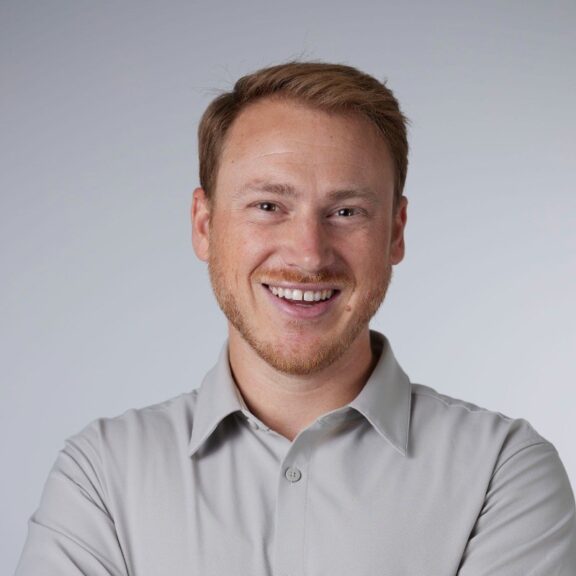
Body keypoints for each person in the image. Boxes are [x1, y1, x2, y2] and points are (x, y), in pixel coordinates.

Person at [15, 61, 576, 575]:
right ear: (204, 226)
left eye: (346, 211)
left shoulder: (503, 473)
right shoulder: (102, 476)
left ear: (395, 232)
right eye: (268, 206)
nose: (308, 255)